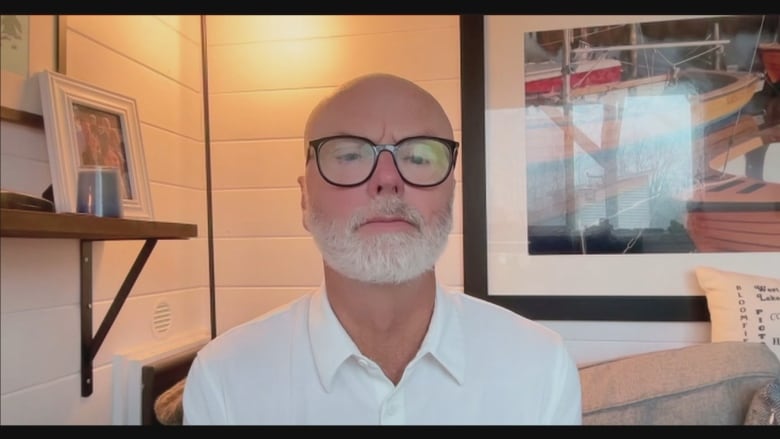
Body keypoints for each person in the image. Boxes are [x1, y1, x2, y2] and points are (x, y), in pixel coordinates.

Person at [182, 73, 582, 425]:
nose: (388, 179)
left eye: (420, 156)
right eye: (351, 155)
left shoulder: (540, 368)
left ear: (451, 195)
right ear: (304, 200)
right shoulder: (225, 380)